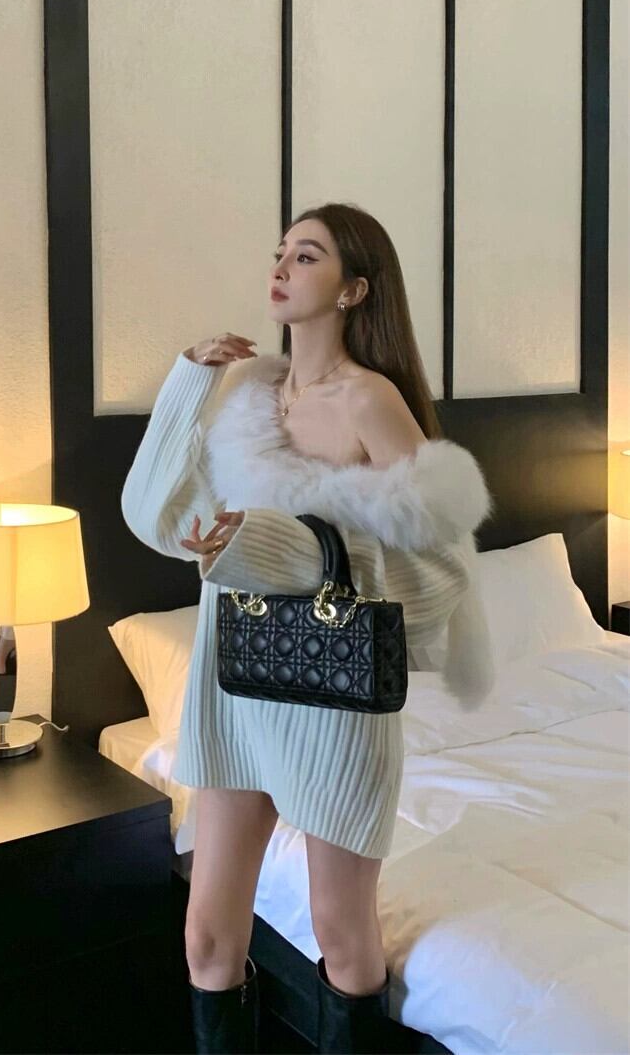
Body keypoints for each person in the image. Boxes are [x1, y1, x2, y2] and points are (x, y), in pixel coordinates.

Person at [120, 201, 496, 1054]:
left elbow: (440, 570)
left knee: (341, 929)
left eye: (308, 255)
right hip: (235, 685)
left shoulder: (370, 401)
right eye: (281, 251)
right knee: (206, 936)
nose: (282, 266)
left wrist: (285, 548)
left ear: (354, 288)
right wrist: (187, 382)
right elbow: (153, 516)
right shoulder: (246, 392)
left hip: (335, 701)